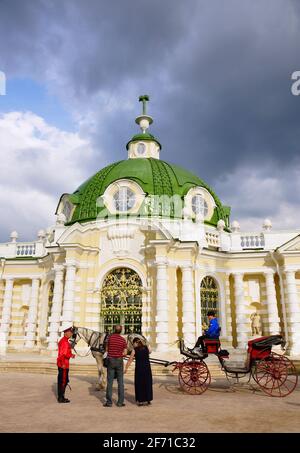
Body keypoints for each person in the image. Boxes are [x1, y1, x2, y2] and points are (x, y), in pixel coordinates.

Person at [124, 337, 153, 406]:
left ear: (135, 343)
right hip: (147, 368)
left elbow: (130, 360)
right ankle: (148, 399)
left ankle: (140, 401)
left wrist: (126, 368)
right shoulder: (147, 348)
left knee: (139, 384)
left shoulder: (134, 350)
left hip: (139, 369)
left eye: (133, 343)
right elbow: (150, 350)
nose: (133, 345)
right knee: (147, 383)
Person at [103, 325, 127, 407]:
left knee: (110, 382)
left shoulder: (109, 338)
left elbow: (106, 349)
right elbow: (125, 353)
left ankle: (109, 402)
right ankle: (120, 402)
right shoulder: (123, 340)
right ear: (121, 331)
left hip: (111, 360)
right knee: (120, 382)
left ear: (114, 330)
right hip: (119, 361)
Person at [57, 324, 75, 403]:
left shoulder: (64, 340)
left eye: (71, 333)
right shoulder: (64, 342)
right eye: (70, 333)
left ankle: (61, 396)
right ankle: (61, 398)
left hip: (62, 363)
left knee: (62, 380)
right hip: (64, 364)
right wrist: (71, 355)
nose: (71, 334)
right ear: (66, 333)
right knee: (63, 381)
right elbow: (63, 354)